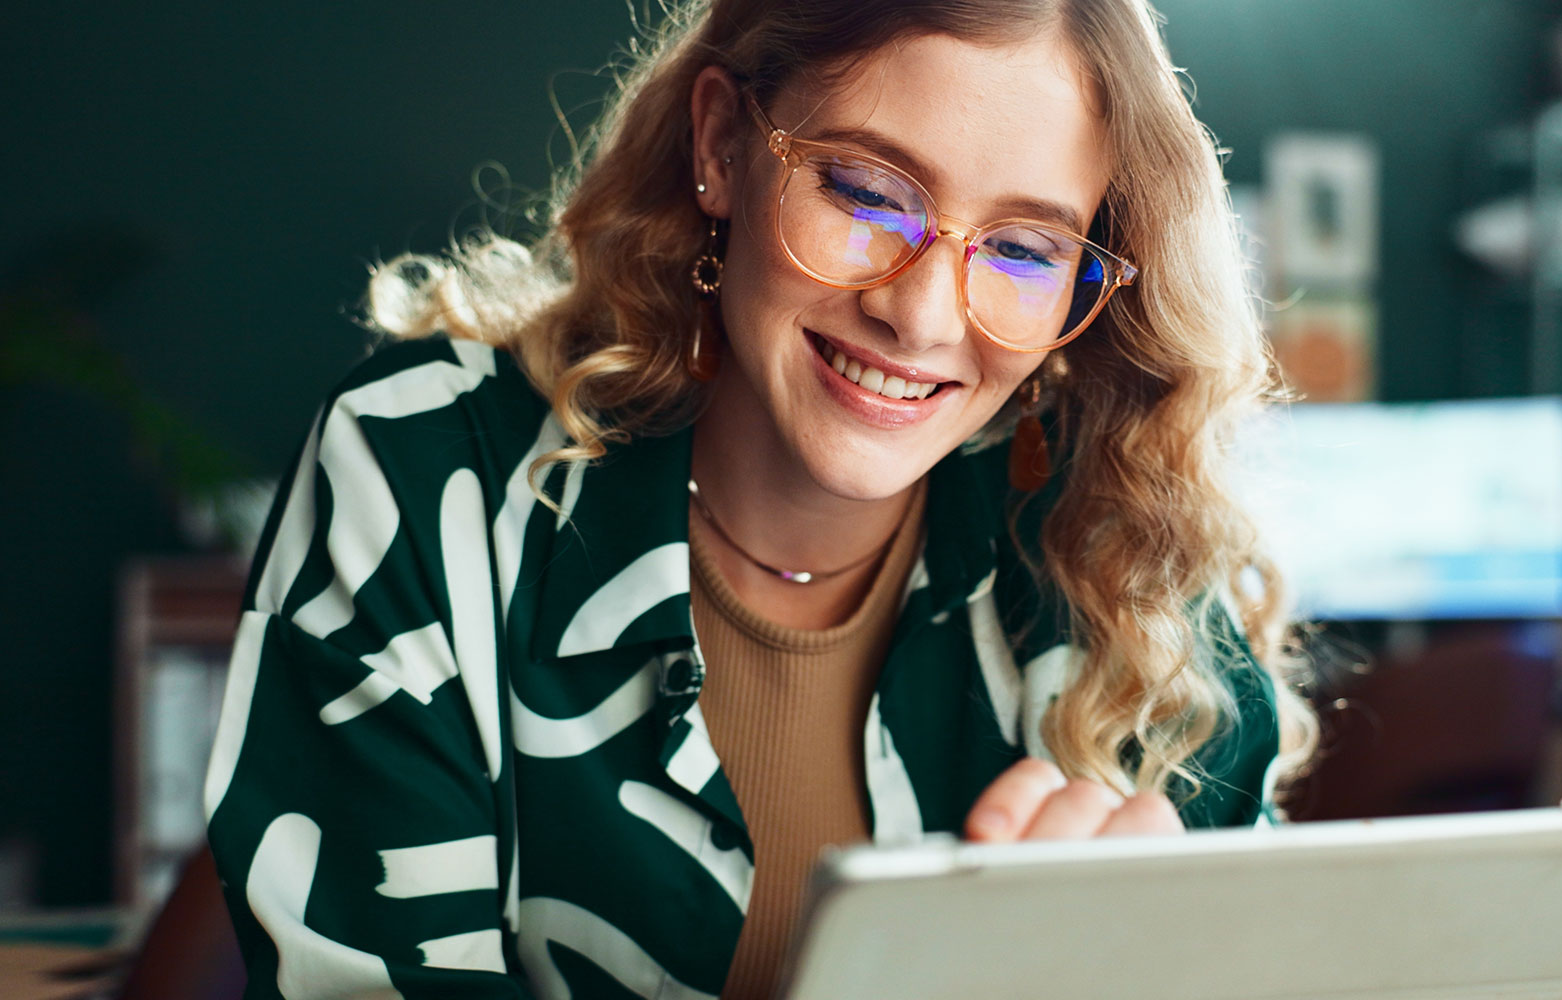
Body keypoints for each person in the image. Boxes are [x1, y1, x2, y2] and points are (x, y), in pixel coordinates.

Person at [203, 0, 1318, 997]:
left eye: (1025, 250)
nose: (924, 317)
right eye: (866, 192)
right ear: (721, 146)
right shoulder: (423, 470)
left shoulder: (1119, 550)